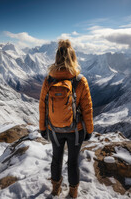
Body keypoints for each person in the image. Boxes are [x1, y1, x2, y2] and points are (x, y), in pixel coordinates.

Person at [39, 39, 93, 198]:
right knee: (73, 162)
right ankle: (73, 193)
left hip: (54, 129)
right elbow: (87, 108)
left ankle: (55, 190)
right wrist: (89, 130)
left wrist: (43, 128)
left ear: (56, 58)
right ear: (73, 58)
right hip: (75, 130)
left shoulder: (49, 79)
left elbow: (43, 106)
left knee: (56, 159)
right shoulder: (80, 81)